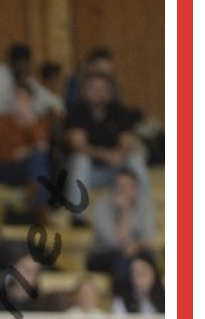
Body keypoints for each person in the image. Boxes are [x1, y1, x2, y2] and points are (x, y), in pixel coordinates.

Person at [64, 72, 149, 223]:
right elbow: (77, 145)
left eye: (102, 89)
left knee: (135, 159)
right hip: (89, 174)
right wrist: (106, 155)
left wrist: (118, 154)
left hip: (115, 170)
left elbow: (128, 141)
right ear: (85, 91)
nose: (98, 92)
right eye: (93, 88)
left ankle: (144, 211)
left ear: (109, 92)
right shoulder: (76, 112)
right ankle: (78, 216)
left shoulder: (119, 111)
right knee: (80, 160)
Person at [0, 86, 52, 222]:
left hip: (30, 169)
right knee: (38, 161)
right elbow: (7, 155)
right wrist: (31, 150)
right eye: (17, 98)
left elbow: (43, 147)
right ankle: (41, 209)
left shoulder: (39, 122)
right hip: (7, 169)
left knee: (39, 160)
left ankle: (38, 206)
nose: (19, 103)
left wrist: (31, 122)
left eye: (24, 99)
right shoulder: (1, 123)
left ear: (31, 101)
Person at [88, 167, 158, 282]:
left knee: (150, 261)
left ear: (136, 188)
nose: (122, 191)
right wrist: (126, 212)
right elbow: (113, 240)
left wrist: (135, 245)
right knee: (123, 262)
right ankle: (121, 294)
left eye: (126, 186)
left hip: (137, 250)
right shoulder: (101, 206)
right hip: (104, 253)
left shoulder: (145, 205)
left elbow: (148, 236)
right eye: (119, 186)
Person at [0, 43, 53, 121]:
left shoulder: (28, 79)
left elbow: (45, 99)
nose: (22, 68)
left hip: (8, 120)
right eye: (19, 63)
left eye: (26, 64)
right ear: (10, 62)